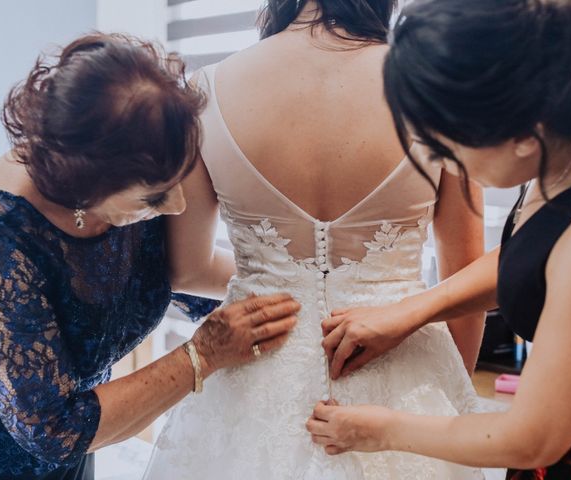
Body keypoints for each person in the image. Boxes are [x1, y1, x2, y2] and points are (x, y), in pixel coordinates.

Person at [144, 1, 488, 478]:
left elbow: (187, 268)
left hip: (254, 378)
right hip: (406, 380)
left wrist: (275, 280)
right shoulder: (443, 91)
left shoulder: (206, 92)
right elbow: (468, 288)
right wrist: (448, 388)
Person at [0, 33, 300, 480]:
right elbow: (54, 429)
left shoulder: (144, 156)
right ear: (83, 182)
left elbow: (184, 276)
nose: (178, 206)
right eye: (156, 197)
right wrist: (201, 355)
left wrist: (300, 286)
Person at [308, 0, 571, 478]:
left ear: (524, 133)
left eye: (448, 145)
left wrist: (379, 430)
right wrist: (413, 310)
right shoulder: (567, 145)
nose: (445, 164)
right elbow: (534, 254)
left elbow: (532, 438)